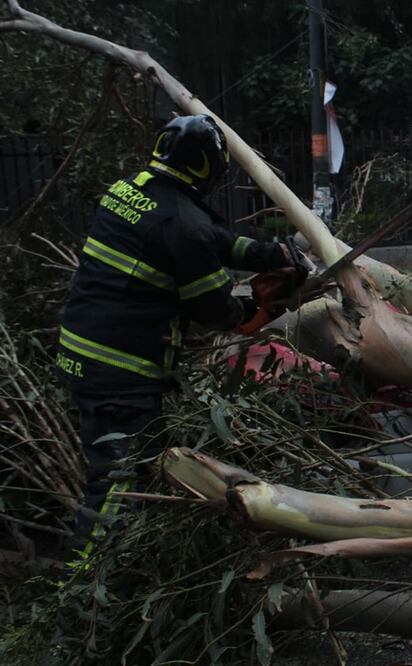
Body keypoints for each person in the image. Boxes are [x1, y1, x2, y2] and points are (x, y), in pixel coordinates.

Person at [56, 114, 305, 561]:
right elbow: (216, 310)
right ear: (209, 166)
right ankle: (80, 590)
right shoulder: (181, 223)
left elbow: (214, 239)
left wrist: (273, 254)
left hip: (83, 356)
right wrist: (263, 305)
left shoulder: (130, 191)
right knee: (120, 483)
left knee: (126, 471)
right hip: (122, 374)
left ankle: (127, 568)